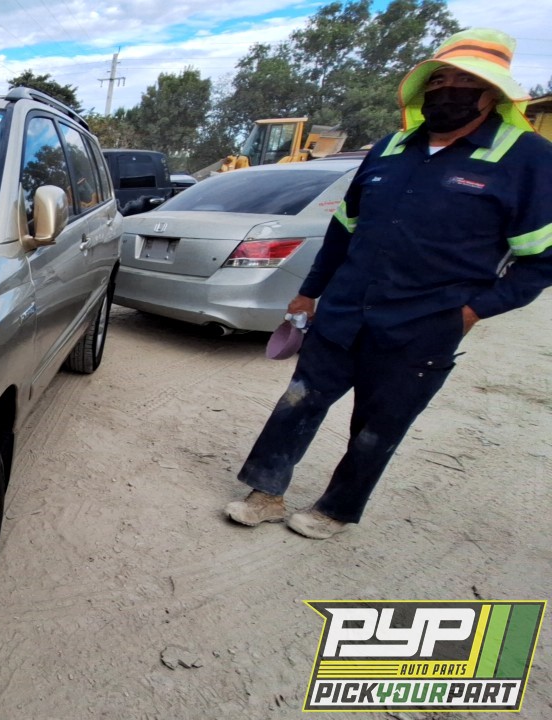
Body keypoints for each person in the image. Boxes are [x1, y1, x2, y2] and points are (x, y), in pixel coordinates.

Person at [225, 28, 552, 539]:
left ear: (493, 94)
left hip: (424, 326)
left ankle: (335, 509)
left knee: (377, 427)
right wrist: (310, 292)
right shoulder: (390, 148)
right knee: (299, 401)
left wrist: (472, 312)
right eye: (440, 78)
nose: (449, 89)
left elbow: (541, 259)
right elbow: (344, 228)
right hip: (345, 312)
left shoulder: (526, 158)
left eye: (465, 80)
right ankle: (265, 492)